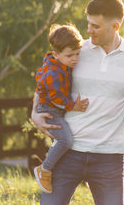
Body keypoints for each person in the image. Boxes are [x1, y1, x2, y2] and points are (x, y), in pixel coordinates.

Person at [31, 0, 124, 205]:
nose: (89, 30)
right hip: (68, 151)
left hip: (110, 157)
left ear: (115, 26)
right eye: (88, 24)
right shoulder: (76, 50)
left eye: (95, 26)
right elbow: (46, 77)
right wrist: (34, 112)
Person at [33, 24, 89, 194]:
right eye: (69, 55)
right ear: (56, 54)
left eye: (78, 54)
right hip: (50, 110)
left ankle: (56, 175)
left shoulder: (62, 64)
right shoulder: (52, 72)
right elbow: (56, 97)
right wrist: (74, 106)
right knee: (66, 141)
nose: (75, 59)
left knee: (60, 142)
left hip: (56, 109)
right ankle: (44, 169)